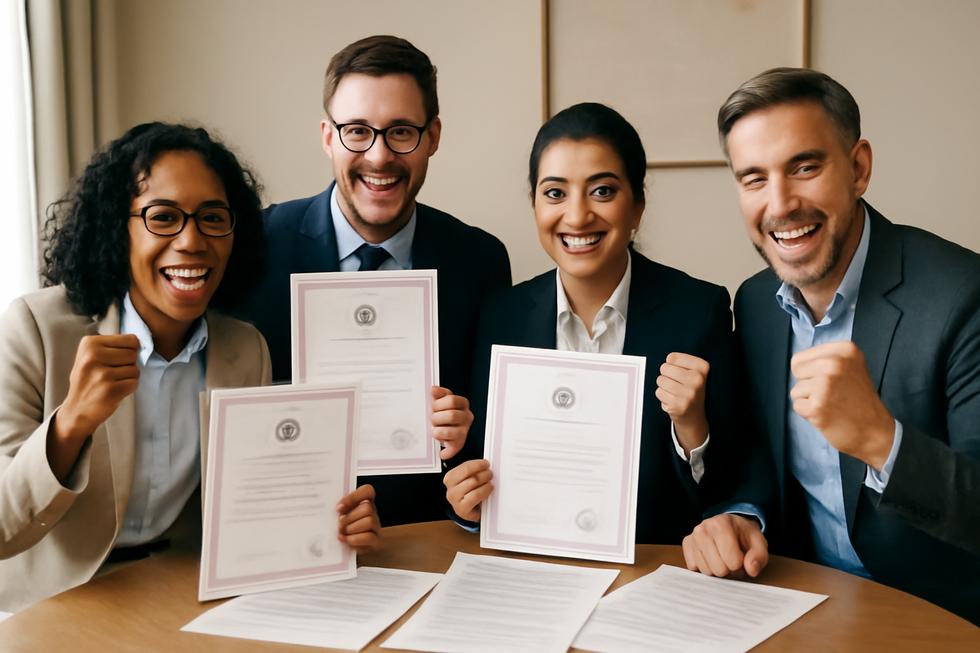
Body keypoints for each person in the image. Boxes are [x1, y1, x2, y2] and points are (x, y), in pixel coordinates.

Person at [0, 123, 380, 613]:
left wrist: (332, 522)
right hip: (52, 601)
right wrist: (71, 422)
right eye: (163, 217)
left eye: (212, 218)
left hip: (178, 592)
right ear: (118, 228)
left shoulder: (244, 348)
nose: (192, 241)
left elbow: (256, 508)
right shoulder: (34, 330)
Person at [681, 67, 980, 624]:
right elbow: (761, 457)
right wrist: (744, 515)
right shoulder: (754, 301)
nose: (782, 203)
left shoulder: (965, 297)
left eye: (805, 167)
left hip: (937, 619)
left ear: (859, 167)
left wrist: (879, 440)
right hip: (802, 605)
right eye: (754, 179)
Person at [444, 102, 743, 543]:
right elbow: (477, 479)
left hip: (651, 571)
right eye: (554, 193)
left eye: (602, 191)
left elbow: (728, 490)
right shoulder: (499, 317)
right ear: (534, 205)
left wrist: (692, 427)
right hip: (533, 570)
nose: (578, 215)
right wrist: (466, 504)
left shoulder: (699, 311)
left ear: (637, 206)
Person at [243, 35, 512, 525]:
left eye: (401, 132)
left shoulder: (479, 261)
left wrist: (464, 436)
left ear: (432, 136)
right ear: (328, 136)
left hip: (430, 538)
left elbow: (492, 444)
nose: (380, 156)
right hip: (291, 536)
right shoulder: (257, 247)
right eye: (358, 132)